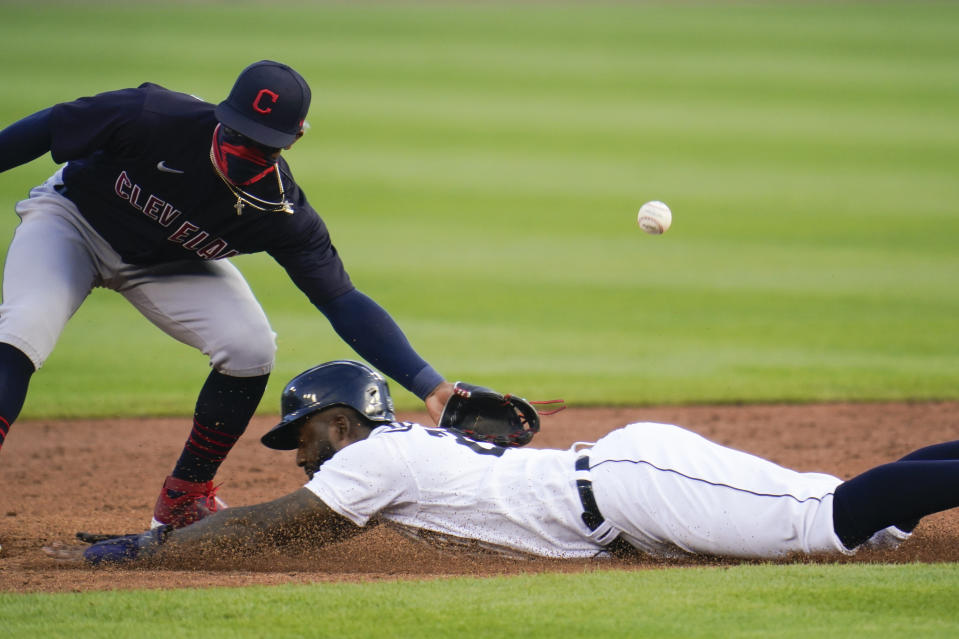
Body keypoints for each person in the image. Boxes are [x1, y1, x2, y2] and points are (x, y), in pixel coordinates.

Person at [0, 61, 453, 529]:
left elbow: (340, 299)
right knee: (24, 328)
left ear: (294, 140)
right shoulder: (151, 115)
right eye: (239, 133)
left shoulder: (282, 212)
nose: (247, 148)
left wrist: (431, 386)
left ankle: (182, 501)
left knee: (250, 347)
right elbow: (50, 127)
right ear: (222, 115)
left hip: (168, 263)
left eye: (264, 143)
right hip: (73, 222)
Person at [47, 360, 959, 566]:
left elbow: (275, 526)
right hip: (627, 488)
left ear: (338, 419)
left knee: (823, 518)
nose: (302, 454)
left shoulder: (371, 460)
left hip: (634, 485)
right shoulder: (401, 452)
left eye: (303, 435)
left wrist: (153, 547)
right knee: (860, 515)